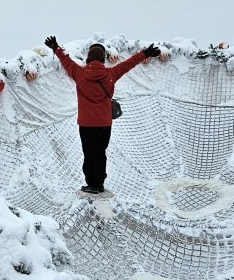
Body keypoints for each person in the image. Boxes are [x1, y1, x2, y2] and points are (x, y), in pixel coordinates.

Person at [45, 36, 161, 194]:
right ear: (102, 60)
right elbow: (128, 64)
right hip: (104, 124)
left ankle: (91, 183)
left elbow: (67, 62)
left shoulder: (80, 74)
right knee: (100, 153)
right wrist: (145, 53)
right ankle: (99, 183)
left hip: (86, 124)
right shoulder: (110, 74)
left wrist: (56, 48)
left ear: (88, 59)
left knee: (89, 153)